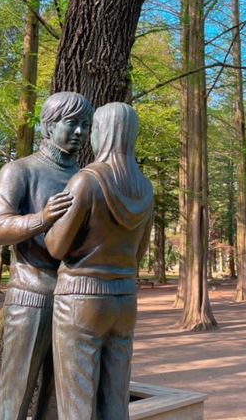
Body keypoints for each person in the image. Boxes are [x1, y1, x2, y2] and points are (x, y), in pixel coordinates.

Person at [0, 91, 93, 420]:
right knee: (16, 392)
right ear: (48, 126)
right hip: (32, 295)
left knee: (59, 396)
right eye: (72, 123)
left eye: (86, 126)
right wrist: (42, 219)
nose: (80, 132)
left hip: (75, 300)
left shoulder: (85, 179)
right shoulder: (19, 171)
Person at [45, 102, 153, 420]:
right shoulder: (145, 187)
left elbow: (56, 246)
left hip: (81, 297)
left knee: (77, 399)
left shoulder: (86, 181)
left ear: (101, 133)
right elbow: (139, 253)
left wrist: (49, 217)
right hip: (124, 298)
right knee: (115, 398)